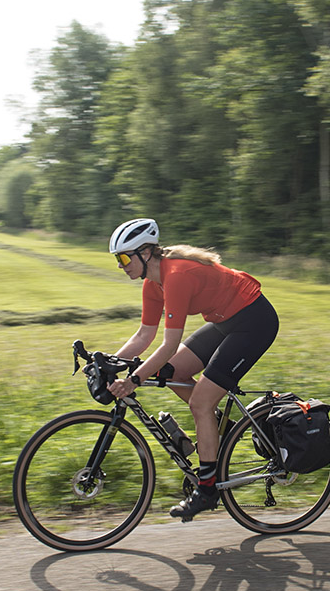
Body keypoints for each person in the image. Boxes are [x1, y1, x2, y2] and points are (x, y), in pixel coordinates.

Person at [106, 217, 280, 521]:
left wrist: (133, 379)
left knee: (200, 400)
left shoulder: (177, 276)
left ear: (145, 253)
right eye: (117, 260)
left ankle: (208, 489)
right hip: (225, 322)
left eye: (124, 258)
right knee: (168, 373)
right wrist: (109, 362)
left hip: (254, 321)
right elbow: (143, 335)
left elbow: (168, 345)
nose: (121, 265)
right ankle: (215, 427)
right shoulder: (152, 284)